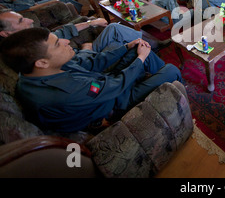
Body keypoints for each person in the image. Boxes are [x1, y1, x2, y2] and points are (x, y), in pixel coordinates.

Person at [0, 27, 183, 133]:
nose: (66, 41)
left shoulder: (49, 67)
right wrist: (140, 59)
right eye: (57, 44)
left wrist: (127, 47)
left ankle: (158, 81)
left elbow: (95, 62)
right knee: (171, 69)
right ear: (41, 62)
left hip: (103, 84)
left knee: (138, 50)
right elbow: (114, 86)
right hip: (113, 103)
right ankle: (172, 90)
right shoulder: (63, 93)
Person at [0, 10, 171, 54]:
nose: (30, 20)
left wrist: (91, 22)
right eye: (22, 21)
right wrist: (85, 51)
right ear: (5, 34)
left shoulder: (32, 35)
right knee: (116, 35)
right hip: (86, 57)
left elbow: (64, 31)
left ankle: (153, 44)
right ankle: (153, 46)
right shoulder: (26, 51)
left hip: (84, 53)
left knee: (114, 26)